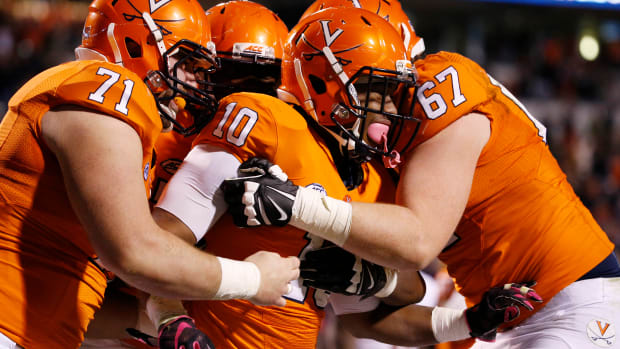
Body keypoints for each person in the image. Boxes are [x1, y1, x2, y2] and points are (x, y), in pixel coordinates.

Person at [221, 2, 620, 348]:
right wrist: (376, 281)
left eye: (387, 83)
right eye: (373, 86)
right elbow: (392, 289)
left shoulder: (441, 87)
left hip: (573, 298)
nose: (388, 97)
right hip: (501, 314)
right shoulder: (373, 153)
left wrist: (297, 203)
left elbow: (417, 243)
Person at [149, 5, 541, 348]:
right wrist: (171, 316)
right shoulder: (264, 121)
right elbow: (159, 242)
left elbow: (366, 320)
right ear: (324, 82)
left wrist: (471, 321)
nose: (388, 108)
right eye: (376, 91)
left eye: (392, 93)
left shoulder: (365, 179)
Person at [0, 0, 299, 347]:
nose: (196, 82)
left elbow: (75, 301)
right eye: (187, 63)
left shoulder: (94, 100)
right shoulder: (108, 87)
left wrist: (162, 321)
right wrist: (253, 279)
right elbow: (133, 252)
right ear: (137, 43)